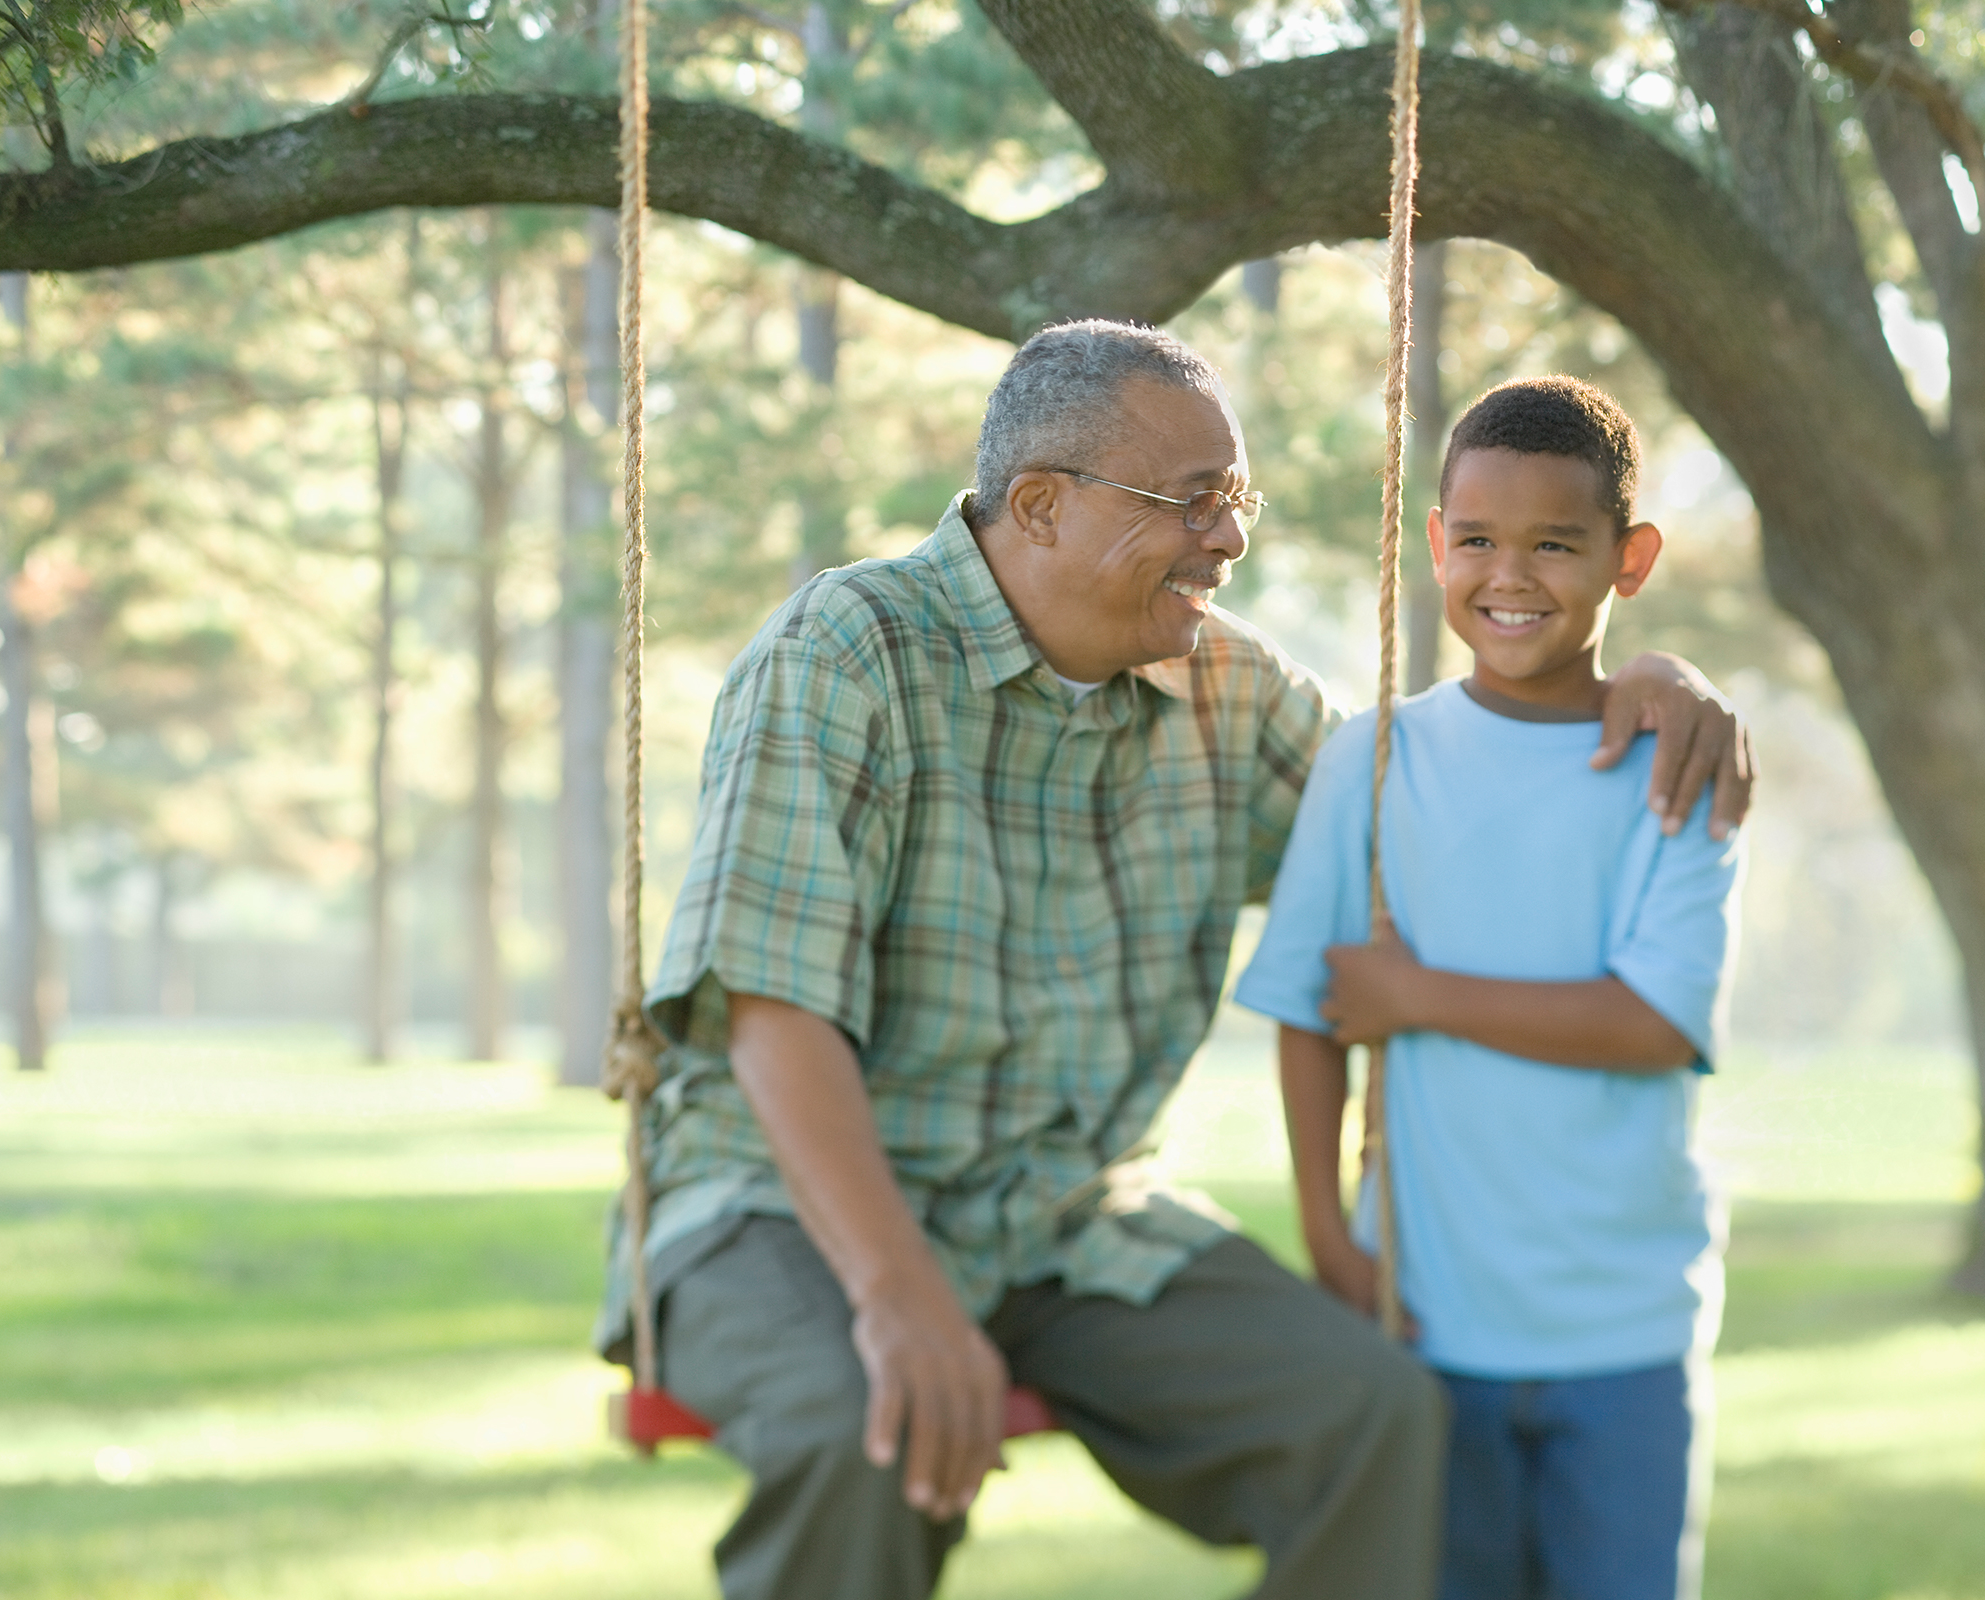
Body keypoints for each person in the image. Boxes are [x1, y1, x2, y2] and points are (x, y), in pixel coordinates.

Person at [595, 323, 1754, 1600]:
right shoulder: (847, 650)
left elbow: (1451, 799)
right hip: (777, 1205)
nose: (1231, 539)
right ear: (1039, 506)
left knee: (1370, 1411)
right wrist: (897, 1291)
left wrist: (1648, 678)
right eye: (1193, 502)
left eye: (1236, 500)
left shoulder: (1228, 694)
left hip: (1069, 1217)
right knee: (860, 1431)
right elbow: (772, 1008)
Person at [1233, 375, 1745, 1600]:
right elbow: (1310, 1009)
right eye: (1478, 540)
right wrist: (1324, 1235)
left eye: (1555, 544)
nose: (1509, 575)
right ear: (1434, 545)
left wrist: (1419, 995)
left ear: (1631, 559)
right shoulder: (1375, 757)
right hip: (1427, 1322)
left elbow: (1652, 1021)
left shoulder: (1675, 771)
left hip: (1621, 1327)